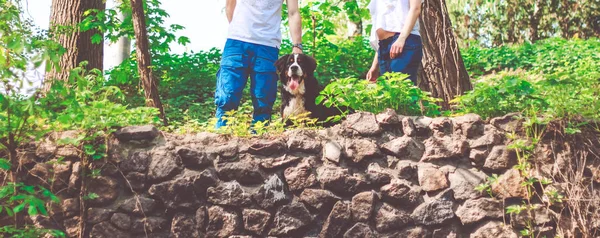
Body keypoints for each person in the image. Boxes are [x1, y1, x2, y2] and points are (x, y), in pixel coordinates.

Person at [214, 0, 303, 128]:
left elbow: (293, 12)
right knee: (227, 95)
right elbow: (230, 4)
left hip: (268, 45)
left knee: (264, 100)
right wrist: (238, 30)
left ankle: (259, 141)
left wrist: (297, 45)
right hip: (236, 42)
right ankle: (221, 135)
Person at [365, 0, 423, 84]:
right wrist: (375, 65)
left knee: (402, 90)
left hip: (404, 42)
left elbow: (415, 8)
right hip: (383, 47)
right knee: (390, 93)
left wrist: (401, 39)